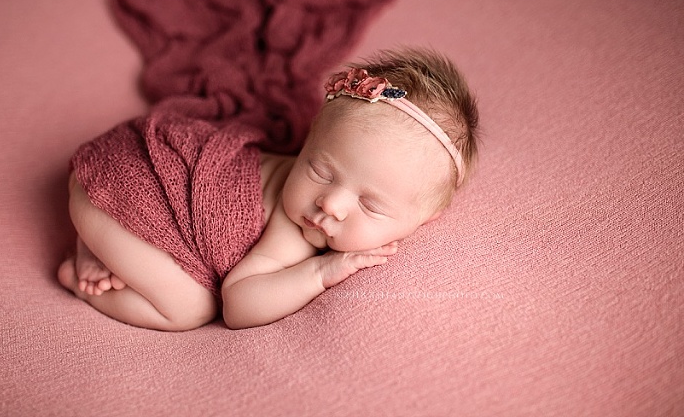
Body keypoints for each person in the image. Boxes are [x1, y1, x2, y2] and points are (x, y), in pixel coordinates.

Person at [58, 47, 479, 330]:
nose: (330, 203)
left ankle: (102, 244)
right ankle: (80, 271)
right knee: (190, 308)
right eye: (319, 170)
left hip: (127, 182)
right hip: (122, 182)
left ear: (426, 218)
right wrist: (318, 272)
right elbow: (239, 306)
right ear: (309, 141)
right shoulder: (295, 230)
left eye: (370, 204)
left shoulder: (327, 207)